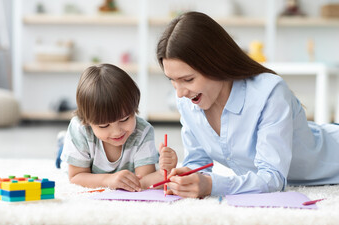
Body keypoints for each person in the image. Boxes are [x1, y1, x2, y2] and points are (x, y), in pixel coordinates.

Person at [156, 11, 339, 198]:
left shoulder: (269, 92)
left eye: (188, 79)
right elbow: (198, 163)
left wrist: (211, 185)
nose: (179, 93)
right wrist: (185, 177)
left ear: (215, 63)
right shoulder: (187, 102)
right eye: (172, 80)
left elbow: (272, 178)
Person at [59, 63, 176, 191]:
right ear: (87, 122)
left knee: (151, 158)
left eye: (125, 119)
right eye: (104, 125)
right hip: (81, 157)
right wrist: (108, 180)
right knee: (62, 158)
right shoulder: (80, 129)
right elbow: (76, 176)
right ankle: (62, 143)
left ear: (134, 109)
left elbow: (143, 181)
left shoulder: (143, 132)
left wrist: (163, 173)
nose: (116, 132)